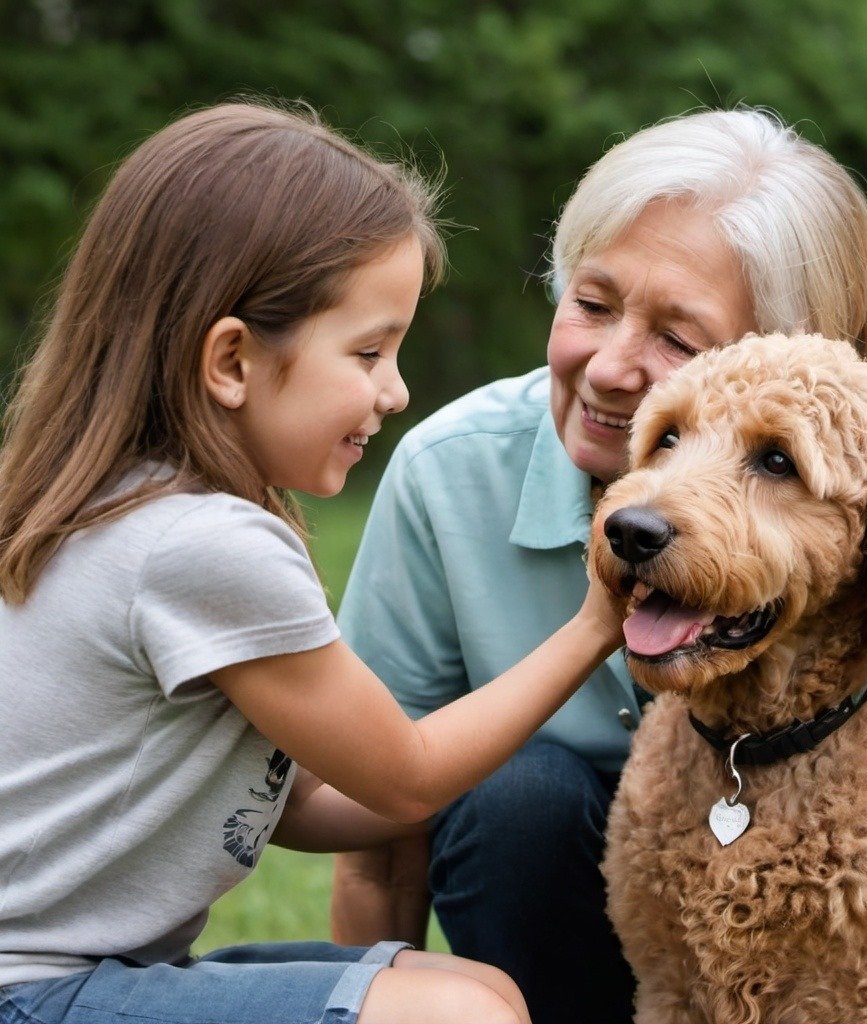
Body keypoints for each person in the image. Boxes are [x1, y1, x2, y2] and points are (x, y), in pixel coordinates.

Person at [331, 108, 867, 1024]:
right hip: (572, 924)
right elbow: (377, 840)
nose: (615, 367)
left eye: (678, 340)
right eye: (591, 303)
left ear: (788, 353)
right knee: (518, 799)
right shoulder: (450, 470)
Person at [0, 101, 629, 1024]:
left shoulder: (122, 507)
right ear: (231, 360)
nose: (396, 390)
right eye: (369, 351)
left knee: (478, 991)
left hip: (77, 980)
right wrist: (597, 624)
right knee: (464, 1020)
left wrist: (505, 793)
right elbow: (403, 774)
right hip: (35, 992)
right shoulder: (202, 546)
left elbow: (295, 807)